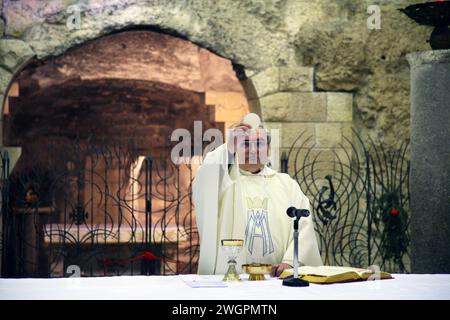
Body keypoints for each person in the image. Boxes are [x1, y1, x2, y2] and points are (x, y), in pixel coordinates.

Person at [192, 117, 322, 277]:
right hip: (231, 279)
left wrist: (289, 261)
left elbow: (303, 226)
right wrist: (228, 148)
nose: (253, 150)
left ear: (267, 148)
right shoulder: (223, 181)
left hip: (278, 279)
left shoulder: (287, 185)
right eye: (245, 144)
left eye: (259, 144)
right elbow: (204, 178)